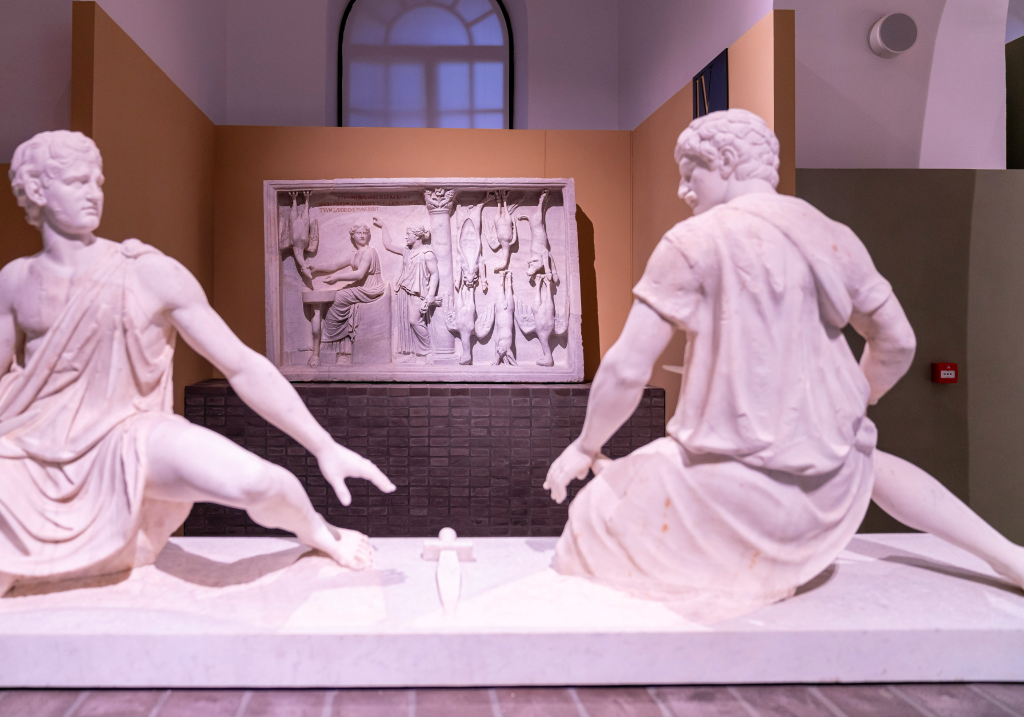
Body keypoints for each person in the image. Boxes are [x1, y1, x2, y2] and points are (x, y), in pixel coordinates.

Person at [0, 130, 396, 614]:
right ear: (36, 190)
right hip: (28, 448)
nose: (94, 194)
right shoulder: (15, 281)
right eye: (78, 182)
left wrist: (323, 445)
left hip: (128, 434)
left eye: (97, 181)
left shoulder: (149, 271)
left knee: (258, 482)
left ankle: (319, 532)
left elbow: (241, 364)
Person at [544, 109, 1024, 612]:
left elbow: (626, 367)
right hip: (830, 501)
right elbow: (898, 343)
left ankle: (739, 571)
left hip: (733, 495)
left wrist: (585, 445)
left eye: (690, 174)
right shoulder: (832, 234)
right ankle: (1007, 555)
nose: (683, 190)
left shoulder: (692, 242)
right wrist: (854, 405)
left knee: (593, 515)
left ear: (726, 160)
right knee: (867, 458)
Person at [312, 223, 385, 364]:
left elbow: (359, 274)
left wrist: (337, 278)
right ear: (353, 236)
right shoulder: (354, 254)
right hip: (360, 286)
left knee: (337, 298)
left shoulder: (369, 252)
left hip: (370, 287)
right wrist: (316, 268)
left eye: (365, 233)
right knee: (335, 296)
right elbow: (334, 265)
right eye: (359, 233)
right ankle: (337, 343)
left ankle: (333, 342)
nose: (362, 236)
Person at [372, 218, 440, 362]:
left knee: (414, 321)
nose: (406, 237)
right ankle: (412, 353)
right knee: (406, 323)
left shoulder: (427, 254)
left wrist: (430, 295)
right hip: (404, 290)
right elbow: (388, 245)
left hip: (418, 292)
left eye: (408, 234)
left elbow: (435, 274)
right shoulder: (407, 251)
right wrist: (383, 226)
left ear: (417, 236)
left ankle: (427, 351)